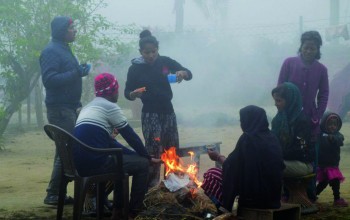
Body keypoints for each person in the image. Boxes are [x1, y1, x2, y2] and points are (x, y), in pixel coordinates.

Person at [73, 73, 161, 219]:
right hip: (96, 163)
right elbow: (130, 136)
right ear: (113, 91)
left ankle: (118, 211)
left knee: (124, 163)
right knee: (143, 165)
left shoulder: (89, 107)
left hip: (79, 164)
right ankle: (133, 212)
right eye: (117, 89)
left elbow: (111, 142)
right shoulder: (110, 107)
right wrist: (146, 157)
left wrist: (135, 154)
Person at [124, 29, 192, 188]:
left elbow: (189, 73)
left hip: (168, 112)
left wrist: (183, 73)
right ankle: (152, 188)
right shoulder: (135, 68)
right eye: (147, 52)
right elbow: (127, 92)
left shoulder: (165, 62)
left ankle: (173, 184)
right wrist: (133, 94)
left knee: (171, 148)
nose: (151, 55)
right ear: (141, 52)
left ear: (157, 50)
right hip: (149, 114)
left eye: (153, 52)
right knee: (154, 151)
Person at [40, 16, 91, 205]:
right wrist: (76, 72)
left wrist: (80, 71)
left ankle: (54, 193)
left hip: (68, 107)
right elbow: (49, 80)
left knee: (64, 149)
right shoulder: (51, 51)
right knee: (68, 149)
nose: (75, 30)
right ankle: (54, 194)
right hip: (60, 109)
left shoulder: (62, 48)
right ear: (62, 30)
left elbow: (65, 76)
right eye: (72, 28)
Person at [201, 105, 285, 212]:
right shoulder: (272, 137)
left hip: (253, 200)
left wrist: (217, 156)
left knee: (211, 174)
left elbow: (231, 167)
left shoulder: (248, 139)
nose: (241, 124)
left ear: (247, 121)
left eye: (242, 121)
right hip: (273, 199)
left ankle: (226, 210)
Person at [277, 31, 329, 200]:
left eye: (312, 48)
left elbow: (324, 94)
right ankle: (285, 194)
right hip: (287, 118)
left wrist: (318, 115)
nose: (308, 51)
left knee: (310, 154)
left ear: (318, 49)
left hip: (310, 118)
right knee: (284, 152)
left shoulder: (321, 70)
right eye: (306, 47)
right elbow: (280, 89)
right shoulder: (289, 63)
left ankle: (310, 195)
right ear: (301, 47)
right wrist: (282, 111)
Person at [271, 82, 314, 177]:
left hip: (302, 163)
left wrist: (277, 154)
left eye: (279, 101)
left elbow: (301, 148)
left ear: (290, 101)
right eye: (275, 101)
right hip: (282, 160)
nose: (275, 104)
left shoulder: (301, 121)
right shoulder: (277, 120)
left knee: (270, 165)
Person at [316, 112, 348, 207]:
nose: (332, 127)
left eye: (335, 124)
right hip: (322, 165)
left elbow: (340, 141)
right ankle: (313, 195)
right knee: (323, 182)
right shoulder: (321, 135)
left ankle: (337, 199)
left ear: (338, 126)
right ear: (325, 124)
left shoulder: (338, 135)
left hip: (332, 165)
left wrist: (333, 139)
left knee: (335, 182)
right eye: (330, 124)